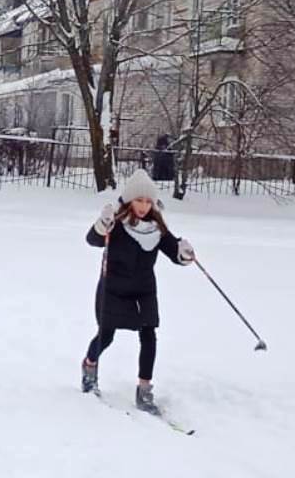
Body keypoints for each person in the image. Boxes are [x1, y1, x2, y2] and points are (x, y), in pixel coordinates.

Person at [81, 169, 195, 414]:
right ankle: (90, 366)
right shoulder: (117, 224)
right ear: (130, 200)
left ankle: (144, 390)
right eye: (139, 200)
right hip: (113, 289)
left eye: (147, 201)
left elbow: (174, 252)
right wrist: (102, 225)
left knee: (149, 335)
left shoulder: (156, 229)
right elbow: (93, 240)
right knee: (106, 335)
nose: (143, 206)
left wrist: (184, 253)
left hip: (144, 291)